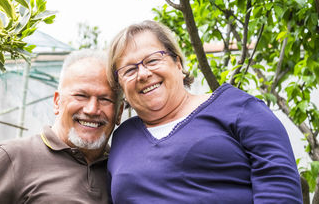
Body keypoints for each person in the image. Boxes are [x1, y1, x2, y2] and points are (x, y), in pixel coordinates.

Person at [106, 20, 303, 203]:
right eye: (129, 70)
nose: (143, 74)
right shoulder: (122, 138)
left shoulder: (240, 109)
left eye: (153, 60)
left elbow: (280, 192)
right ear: (121, 87)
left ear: (178, 63)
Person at [0, 49, 123, 203]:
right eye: (81, 96)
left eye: (105, 99)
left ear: (119, 112)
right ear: (57, 102)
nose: (92, 109)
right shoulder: (13, 158)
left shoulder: (121, 167)